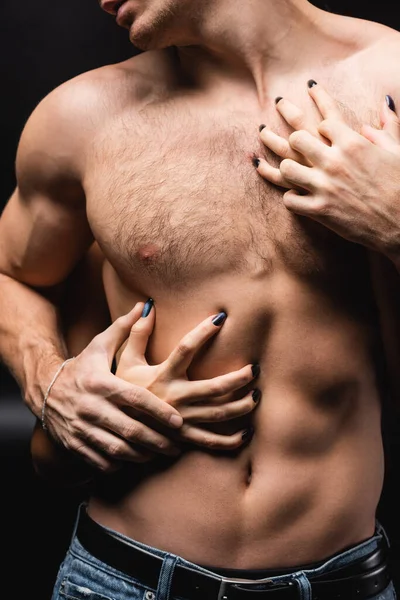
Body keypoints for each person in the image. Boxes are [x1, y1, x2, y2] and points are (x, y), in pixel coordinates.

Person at [1, 0, 400, 598]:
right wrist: (48, 384)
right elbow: (12, 274)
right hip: (120, 579)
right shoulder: (80, 117)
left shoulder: (391, 76)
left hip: (343, 583)